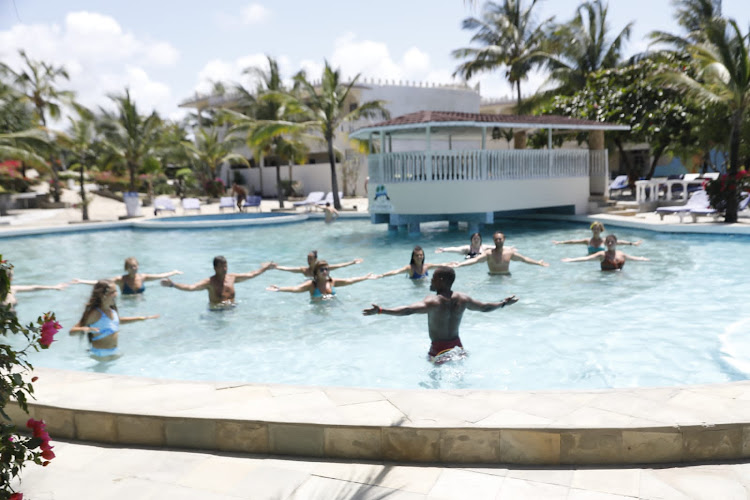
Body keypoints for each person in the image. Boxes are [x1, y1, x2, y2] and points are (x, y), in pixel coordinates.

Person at [363, 266, 518, 362]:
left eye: (434, 278)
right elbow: (484, 307)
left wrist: (382, 311)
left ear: (441, 280)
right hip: (458, 347)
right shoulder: (463, 299)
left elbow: (408, 310)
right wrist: (503, 303)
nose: (430, 280)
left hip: (438, 349)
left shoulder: (432, 302)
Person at [69, 280, 158, 359]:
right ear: (102, 294)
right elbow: (72, 332)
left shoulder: (112, 310)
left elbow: (117, 321)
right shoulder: (95, 313)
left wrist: (139, 318)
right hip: (100, 356)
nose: (116, 294)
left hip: (114, 353)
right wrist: (86, 329)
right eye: (113, 292)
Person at [161, 256, 275, 308]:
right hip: (216, 313)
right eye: (222, 267)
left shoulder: (232, 278)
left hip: (232, 309)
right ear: (215, 268)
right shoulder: (209, 282)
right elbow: (191, 287)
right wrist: (173, 284)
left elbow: (251, 274)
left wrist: (266, 268)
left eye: (226, 266)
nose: (225, 269)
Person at [267, 260, 379, 299]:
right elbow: (296, 288)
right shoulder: (311, 285)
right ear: (316, 273)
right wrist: (280, 289)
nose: (325, 272)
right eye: (322, 270)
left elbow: (349, 281)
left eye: (326, 269)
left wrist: (365, 277)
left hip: (333, 307)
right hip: (318, 312)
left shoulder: (332, 281)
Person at [72, 257, 182, 295]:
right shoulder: (120, 280)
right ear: (126, 269)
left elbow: (160, 276)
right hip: (127, 305)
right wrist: (81, 281)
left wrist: (173, 272)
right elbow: (100, 283)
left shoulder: (143, 277)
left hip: (141, 303)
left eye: (135, 266)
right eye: (131, 267)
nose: (134, 269)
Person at [453, 232, 549, 275]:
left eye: (500, 239)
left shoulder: (509, 253)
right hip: (492, 277)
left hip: (506, 276)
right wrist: (460, 264)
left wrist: (538, 263)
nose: (498, 241)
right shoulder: (488, 254)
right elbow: (475, 260)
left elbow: (524, 259)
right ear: (493, 241)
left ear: (504, 239)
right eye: (496, 239)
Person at [562, 234, 649, 271]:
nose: (610, 243)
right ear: (605, 244)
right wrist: (571, 260)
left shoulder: (621, 254)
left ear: (616, 242)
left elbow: (633, 258)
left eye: (612, 241)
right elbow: (586, 258)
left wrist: (643, 259)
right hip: (605, 281)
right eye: (608, 242)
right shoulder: (602, 254)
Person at [553, 221, 641, 254]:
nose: (596, 231)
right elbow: (574, 241)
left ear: (601, 230)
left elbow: (619, 242)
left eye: (598, 229)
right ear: (591, 230)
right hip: (589, 260)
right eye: (594, 229)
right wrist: (560, 242)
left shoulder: (605, 241)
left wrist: (632, 243)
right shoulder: (587, 241)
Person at [2, 268, 67, 311]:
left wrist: (54, 287)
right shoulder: (12, 289)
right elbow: (34, 287)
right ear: (10, 279)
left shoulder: (12, 289)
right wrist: (54, 287)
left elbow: (34, 287)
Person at [379, 246, 456, 280]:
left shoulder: (426, 266)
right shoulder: (410, 268)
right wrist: (382, 275)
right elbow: (395, 272)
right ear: (413, 257)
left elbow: (440, 265)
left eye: (421, 255)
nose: (419, 257)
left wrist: (450, 264)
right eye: (417, 255)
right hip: (415, 291)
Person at [274, 250, 363, 278]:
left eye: (311, 259)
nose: (308, 261)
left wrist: (352, 262)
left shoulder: (323, 269)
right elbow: (289, 269)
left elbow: (339, 265)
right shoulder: (304, 270)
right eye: (308, 259)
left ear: (316, 259)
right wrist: (276, 267)